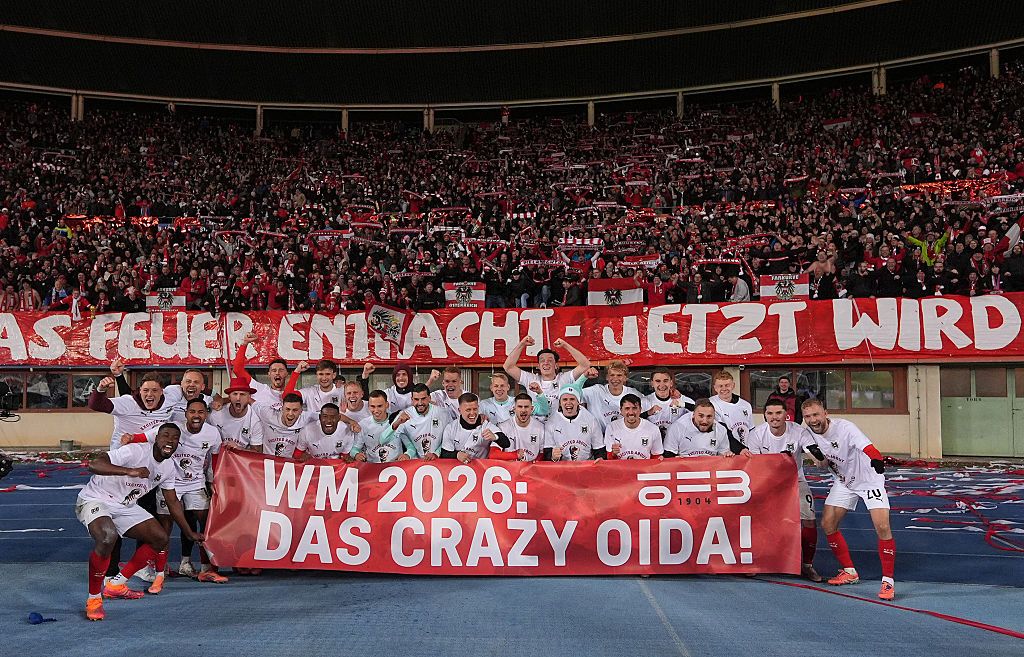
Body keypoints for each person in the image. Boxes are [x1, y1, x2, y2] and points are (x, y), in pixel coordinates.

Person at [76, 423, 201, 621]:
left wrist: (188, 532)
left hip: (125, 506)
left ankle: (116, 584)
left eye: (175, 438)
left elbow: (172, 501)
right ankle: (94, 599)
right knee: (108, 537)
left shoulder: (169, 467)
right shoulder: (135, 451)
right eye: (165, 435)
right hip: (96, 498)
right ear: (156, 438)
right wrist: (129, 471)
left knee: (160, 538)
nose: (170, 440)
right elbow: (95, 464)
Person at [802, 399, 896, 600]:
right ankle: (849, 571)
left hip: (868, 480)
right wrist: (819, 460)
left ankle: (888, 581)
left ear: (825, 413)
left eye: (816, 415)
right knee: (828, 523)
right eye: (808, 416)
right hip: (844, 482)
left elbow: (868, 447)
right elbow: (821, 462)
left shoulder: (845, 428)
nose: (813, 420)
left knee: (882, 527)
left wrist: (877, 459)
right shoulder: (807, 434)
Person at [123, 399, 224, 582]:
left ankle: (206, 567)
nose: (196, 416)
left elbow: (215, 458)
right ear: (186, 413)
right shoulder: (173, 429)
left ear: (206, 415)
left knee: (206, 523)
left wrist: (213, 479)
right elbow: (147, 437)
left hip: (195, 483)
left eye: (200, 412)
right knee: (165, 526)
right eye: (192, 412)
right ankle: (158, 568)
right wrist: (131, 438)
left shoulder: (212, 433)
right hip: (170, 483)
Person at [746, 399, 824, 582]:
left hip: (795, 480)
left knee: (809, 519)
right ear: (765, 416)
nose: (774, 417)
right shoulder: (756, 434)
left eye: (778, 413)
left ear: (786, 415)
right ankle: (756, 560)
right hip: (767, 482)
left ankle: (807, 565)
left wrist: (819, 458)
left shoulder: (798, 431)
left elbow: (811, 448)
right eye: (770, 413)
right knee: (755, 519)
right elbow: (755, 465)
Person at [503, 335, 591, 417]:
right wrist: (522, 344)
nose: (546, 363)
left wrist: (565, 345)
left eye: (550, 360)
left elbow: (585, 365)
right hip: (535, 425)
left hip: (558, 425)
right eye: (542, 360)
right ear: (538, 366)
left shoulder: (564, 378)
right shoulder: (530, 379)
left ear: (556, 365)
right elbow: (508, 367)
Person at [439, 393, 511, 463]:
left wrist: (495, 437)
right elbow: (444, 454)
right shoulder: (451, 428)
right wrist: (457, 455)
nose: (472, 413)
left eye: (475, 409)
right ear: (459, 410)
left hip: (480, 469)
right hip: (458, 468)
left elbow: (506, 443)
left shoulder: (486, 425)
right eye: (468, 410)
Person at [349, 390, 414, 463]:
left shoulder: (398, 420)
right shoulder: (363, 425)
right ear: (368, 407)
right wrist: (356, 455)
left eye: (379, 406)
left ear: (387, 405)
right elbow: (354, 449)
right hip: (374, 467)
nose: (376, 410)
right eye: (372, 406)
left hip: (396, 466)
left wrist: (407, 455)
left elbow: (411, 447)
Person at [663, 399, 742, 457]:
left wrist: (727, 455)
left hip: (710, 469)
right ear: (693, 414)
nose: (705, 421)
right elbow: (668, 455)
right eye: (701, 416)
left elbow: (723, 453)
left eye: (709, 416)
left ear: (714, 417)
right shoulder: (677, 427)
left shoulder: (721, 429)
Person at [544, 386, 604, 461]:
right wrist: (553, 456)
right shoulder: (551, 422)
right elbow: (547, 452)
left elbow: (599, 448)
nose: (568, 403)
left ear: (578, 402)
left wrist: (600, 459)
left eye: (572, 399)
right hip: (562, 465)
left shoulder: (591, 420)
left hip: (586, 464)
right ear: (560, 403)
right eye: (565, 399)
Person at [254, 392, 322, 458]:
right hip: (267, 461)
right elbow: (251, 402)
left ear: (301, 411)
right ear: (282, 408)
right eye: (287, 409)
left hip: (289, 463)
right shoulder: (268, 415)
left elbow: (325, 416)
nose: (290, 414)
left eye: (295, 410)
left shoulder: (307, 417)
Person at [232, 331, 290, 409]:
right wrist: (245, 343)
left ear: (287, 373)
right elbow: (237, 369)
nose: (277, 373)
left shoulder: (294, 393)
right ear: (269, 374)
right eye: (274, 370)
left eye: (281, 370)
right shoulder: (259, 389)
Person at [392, 384, 451, 459]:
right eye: (416, 399)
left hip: (439, 461)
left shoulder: (444, 413)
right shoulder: (403, 416)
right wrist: (408, 454)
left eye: (423, 399)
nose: (420, 403)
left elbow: (449, 439)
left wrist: (436, 454)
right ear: (412, 399)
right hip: (416, 463)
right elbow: (385, 440)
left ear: (429, 398)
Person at [583, 360, 643, 431]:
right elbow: (573, 393)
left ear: (625, 378)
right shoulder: (595, 391)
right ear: (607, 377)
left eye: (619, 375)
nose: (615, 378)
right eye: (612, 375)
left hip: (625, 435)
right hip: (598, 435)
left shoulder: (634, 394)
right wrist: (584, 377)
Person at [209, 378, 265, 451]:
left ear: (249, 397)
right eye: (235, 394)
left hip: (242, 457)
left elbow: (257, 452)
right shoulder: (215, 415)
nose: (238, 398)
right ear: (229, 397)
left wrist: (239, 449)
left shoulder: (255, 420)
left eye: (242, 394)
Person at [359, 362, 439, 413]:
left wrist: (431, 380)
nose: (401, 378)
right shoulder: (389, 393)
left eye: (404, 374)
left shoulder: (418, 394)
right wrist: (365, 376)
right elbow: (367, 401)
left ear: (409, 376)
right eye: (398, 375)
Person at [603, 394, 663, 459]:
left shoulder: (653, 429)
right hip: (621, 465)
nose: (631, 412)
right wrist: (613, 454)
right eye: (627, 408)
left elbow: (656, 456)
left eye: (634, 408)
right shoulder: (611, 428)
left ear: (640, 410)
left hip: (644, 466)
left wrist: (659, 459)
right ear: (621, 410)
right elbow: (609, 459)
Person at [479, 372, 550, 422]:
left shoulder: (518, 402)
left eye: (502, 386)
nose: (499, 389)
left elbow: (544, 411)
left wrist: (539, 392)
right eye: (496, 386)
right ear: (491, 388)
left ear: (508, 387)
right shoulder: (484, 404)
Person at [642, 368, 694, 436]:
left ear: (671, 383)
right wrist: (648, 413)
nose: (662, 385)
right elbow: (632, 420)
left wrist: (683, 404)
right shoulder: (644, 401)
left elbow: (701, 410)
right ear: (652, 383)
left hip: (677, 441)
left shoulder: (681, 399)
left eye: (665, 381)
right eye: (658, 381)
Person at [497, 393, 546, 462]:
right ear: (514, 409)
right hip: (509, 466)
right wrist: (513, 456)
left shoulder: (540, 428)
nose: (523, 410)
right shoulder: (502, 427)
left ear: (532, 409)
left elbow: (542, 452)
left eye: (526, 407)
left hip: (531, 467)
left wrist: (534, 464)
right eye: (520, 407)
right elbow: (495, 453)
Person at [709, 370, 753, 446]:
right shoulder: (711, 404)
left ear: (733, 385)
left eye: (727, 385)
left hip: (745, 449)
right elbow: (721, 431)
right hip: (724, 449)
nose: (724, 389)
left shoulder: (746, 405)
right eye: (720, 386)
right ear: (715, 388)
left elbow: (751, 430)